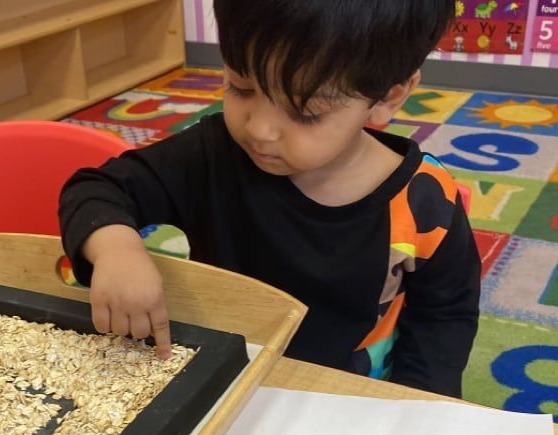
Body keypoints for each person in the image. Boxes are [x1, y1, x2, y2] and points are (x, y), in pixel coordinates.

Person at [59, 0, 480, 397]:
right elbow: (98, 188)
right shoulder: (212, 154)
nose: (260, 129)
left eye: (303, 113)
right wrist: (116, 247)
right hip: (221, 378)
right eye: (240, 87)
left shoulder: (424, 203)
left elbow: (444, 319)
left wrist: (416, 406)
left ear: (387, 97)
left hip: (347, 398)